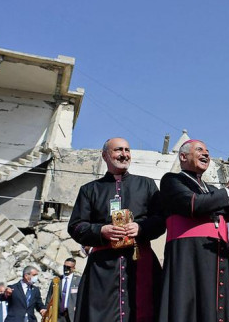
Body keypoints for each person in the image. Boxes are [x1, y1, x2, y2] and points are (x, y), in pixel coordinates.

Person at [68, 137, 165, 322]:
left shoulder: (147, 185)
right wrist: (101, 230)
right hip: (102, 268)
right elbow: (76, 226)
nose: (124, 154)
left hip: (140, 261)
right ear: (105, 155)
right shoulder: (89, 189)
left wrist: (141, 227)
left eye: (127, 150)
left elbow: (161, 219)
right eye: (118, 150)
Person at [158, 139, 229, 322]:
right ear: (183, 156)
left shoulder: (211, 188)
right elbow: (193, 205)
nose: (206, 153)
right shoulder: (172, 180)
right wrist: (228, 191)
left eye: (207, 150)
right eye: (199, 150)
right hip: (188, 258)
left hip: (214, 258)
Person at [45, 258, 81, 322]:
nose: (66, 269)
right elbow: (49, 298)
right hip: (58, 315)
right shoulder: (57, 280)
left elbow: (82, 297)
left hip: (72, 315)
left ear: (73, 268)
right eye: (64, 266)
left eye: (68, 267)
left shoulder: (78, 281)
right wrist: (46, 311)